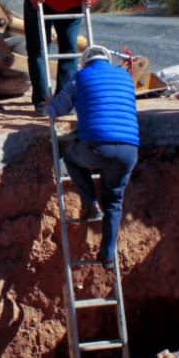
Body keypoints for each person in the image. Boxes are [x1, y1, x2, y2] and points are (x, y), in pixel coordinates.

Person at [46, 46, 139, 268]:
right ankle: (107, 256)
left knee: (70, 157)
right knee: (115, 201)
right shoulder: (125, 77)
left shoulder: (80, 77)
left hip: (97, 147)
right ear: (107, 61)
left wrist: (51, 102)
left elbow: (56, 111)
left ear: (85, 62)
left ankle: (91, 204)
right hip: (129, 150)